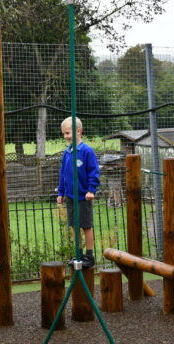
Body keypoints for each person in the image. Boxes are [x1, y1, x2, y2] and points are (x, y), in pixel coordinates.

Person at [56, 116, 100, 270]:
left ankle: (89, 255)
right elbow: (62, 174)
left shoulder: (86, 151)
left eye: (68, 133)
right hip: (70, 196)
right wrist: (60, 192)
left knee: (86, 226)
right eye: (64, 134)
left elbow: (94, 172)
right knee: (75, 226)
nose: (66, 136)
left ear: (78, 131)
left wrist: (91, 190)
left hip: (83, 196)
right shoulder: (67, 153)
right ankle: (78, 253)